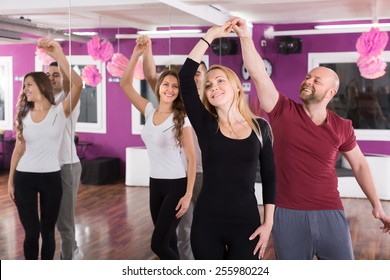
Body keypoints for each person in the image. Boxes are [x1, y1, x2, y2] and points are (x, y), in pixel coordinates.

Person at [232, 17, 390, 259]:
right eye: (308, 77)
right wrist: (245, 36)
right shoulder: (282, 110)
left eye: (317, 80)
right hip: (287, 213)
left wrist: (377, 205)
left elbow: (359, 164)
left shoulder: (342, 126)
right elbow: (258, 74)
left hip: (331, 212)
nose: (308, 81)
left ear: (331, 93)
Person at [178, 21, 276, 260]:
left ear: (236, 88)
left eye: (220, 80)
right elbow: (185, 76)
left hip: (246, 224)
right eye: (209, 85)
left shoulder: (260, 127)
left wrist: (268, 224)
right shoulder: (205, 124)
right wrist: (210, 35)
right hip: (207, 224)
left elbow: (271, 177)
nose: (214, 87)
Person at [119, 39, 196, 260]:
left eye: (175, 86)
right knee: (168, 242)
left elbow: (191, 158)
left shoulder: (181, 119)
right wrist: (136, 53)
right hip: (155, 183)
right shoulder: (149, 110)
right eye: (166, 84)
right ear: (159, 87)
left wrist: (188, 194)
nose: (170, 89)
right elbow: (125, 84)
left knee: (158, 244)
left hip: (176, 185)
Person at [7, 38, 83, 260]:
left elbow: (77, 85)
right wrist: (10, 180)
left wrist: (57, 53)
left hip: (55, 174)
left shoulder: (60, 111)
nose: (25, 89)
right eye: (24, 85)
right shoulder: (23, 114)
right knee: (32, 233)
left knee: (53, 231)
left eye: (29, 84)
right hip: (25, 177)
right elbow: (19, 149)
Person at [140, 35, 205, 259]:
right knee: (182, 230)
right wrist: (146, 50)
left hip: (205, 173)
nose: (195, 76)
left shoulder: (212, 102)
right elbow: (150, 76)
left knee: (204, 228)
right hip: (182, 173)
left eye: (199, 72)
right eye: (192, 72)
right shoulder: (174, 99)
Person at [47, 61, 83, 260]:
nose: (52, 78)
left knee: (64, 223)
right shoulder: (42, 101)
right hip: (46, 168)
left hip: (66, 166)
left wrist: (58, 56)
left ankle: (68, 261)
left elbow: (74, 84)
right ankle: (74, 248)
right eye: (49, 74)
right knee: (50, 220)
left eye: (56, 75)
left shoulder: (68, 99)